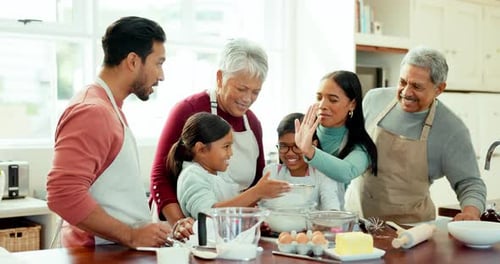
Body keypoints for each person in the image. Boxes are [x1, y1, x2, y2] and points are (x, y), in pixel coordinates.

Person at [46, 16, 172, 248]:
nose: (161, 75)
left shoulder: (109, 106)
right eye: (159, 63)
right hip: (98, 253)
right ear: (133, 61)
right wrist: (131, 235)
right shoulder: (93, 111)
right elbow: (62, 194)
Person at [150, 38, 271, 225]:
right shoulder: (188, 110)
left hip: (228, 227)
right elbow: (160, 175)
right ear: (220, 77)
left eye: (256, 92)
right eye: (241, 88)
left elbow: (257, 182)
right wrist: (181, 226)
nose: (247, 98)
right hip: (184, 224)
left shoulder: (252, 123)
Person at [358, 46, 486, 223]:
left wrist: (470, 213)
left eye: (417, 86)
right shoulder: (373, 99)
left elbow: (470, 183)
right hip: (357, 222)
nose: (406, 92)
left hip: (410, 229)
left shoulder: (451, 130)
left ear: (439, 89)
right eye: (403, 82)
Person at [170, 112, 289, 219]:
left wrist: (259, 198)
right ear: (201, 149)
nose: (231, 153)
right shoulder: (192, 175)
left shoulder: (221, 173)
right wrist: (256, 192)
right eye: (226, 146)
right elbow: (208, 214)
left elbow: (234, 206)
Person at [294, 71, 378, 194]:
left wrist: (309, 151)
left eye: (333, 100)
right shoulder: (301, 134)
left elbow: (347, 172)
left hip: (338, 212)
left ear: (352, 105)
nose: (322, 105)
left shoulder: (360, 145)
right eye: (319, 98)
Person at [263, 112, 344, 210]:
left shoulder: (322, 174)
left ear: (313, 145)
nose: (290, 153)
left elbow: (332, 210)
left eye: (297, 146)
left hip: (315, 225)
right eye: (283, 146)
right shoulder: (272, 172)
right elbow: (265, 209)